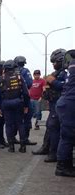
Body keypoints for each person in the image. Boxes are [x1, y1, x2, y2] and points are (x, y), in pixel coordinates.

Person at [0, 60, 30, 153]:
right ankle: (23, 147)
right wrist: (26, 105)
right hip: (18, 102)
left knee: (9, 125)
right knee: (20, 124)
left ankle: (11, 147)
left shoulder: (1, 78)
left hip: (6, 104)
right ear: (14, 68)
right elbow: (26, 93)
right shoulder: (19, 77)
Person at [39, 48, 67, 163]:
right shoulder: (57, 73)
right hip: (53, 104)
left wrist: (53, 81)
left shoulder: (66, 73)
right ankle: (46, 148)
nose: (54, 64)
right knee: (50, 127)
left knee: (54, 129)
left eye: (55, 62)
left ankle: (53, 154)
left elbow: (64, 86)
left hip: (60, 106)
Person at [55, 49, 75, 177]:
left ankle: (66, 165)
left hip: (66, 102)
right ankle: (62, 167)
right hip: (70, 103)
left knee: (67, 136)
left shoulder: (71, 66)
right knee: (68, 136)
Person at [15, 56, 36, 146]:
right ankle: (25, 139)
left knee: (15, 120)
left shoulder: (11, 72)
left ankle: (12, 139)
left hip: (13, 99)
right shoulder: (25, 71)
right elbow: (30, 83)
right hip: (24, 99)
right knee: (27, 120)